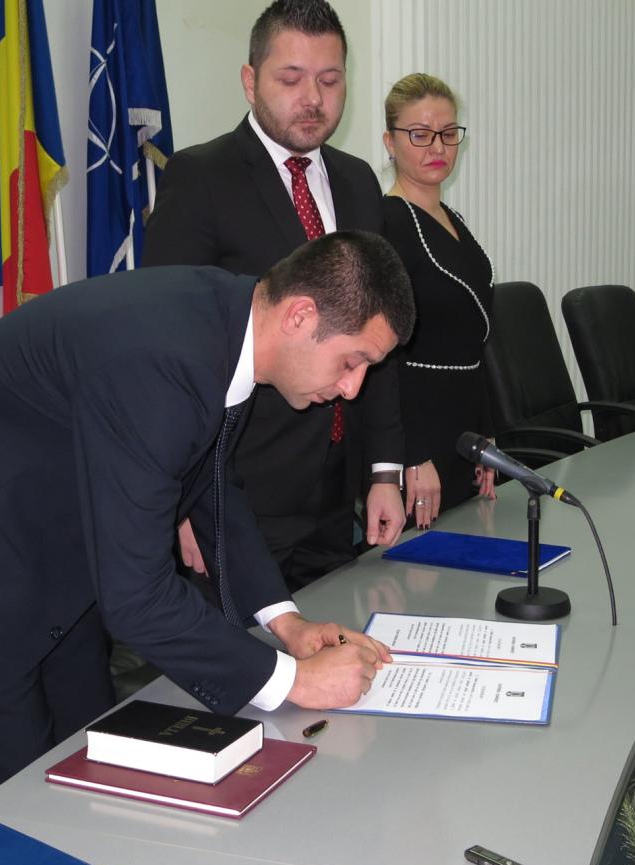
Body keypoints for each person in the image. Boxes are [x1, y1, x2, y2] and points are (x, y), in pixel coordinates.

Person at [0, 231, 415, 806]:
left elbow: (212, 484)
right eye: (352, 361)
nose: (352, 388)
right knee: (19, 817)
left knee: (91, 773)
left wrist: (286, 624)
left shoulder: (229, 323)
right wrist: (294, 681)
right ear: (300, 315)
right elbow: (136, 595)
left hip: (55, 560)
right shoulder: (163, 361)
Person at [142, 0, 405, 592]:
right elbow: (168, 353)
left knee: (333, 629)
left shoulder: (359, 182)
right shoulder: (201, 177)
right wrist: (181, 501)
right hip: (236, 492)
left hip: (338, 489)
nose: (312, 98)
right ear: (250, 80)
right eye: (291, 79)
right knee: (242, 646)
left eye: (329, 80)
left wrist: (384, 469)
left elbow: (376, 336)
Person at [381, 73, 497, 525]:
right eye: (420, 134)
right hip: (420, 437)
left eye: (448, 134)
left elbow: (474, 339)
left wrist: (486, 434)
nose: (438, 147)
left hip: (465, 427)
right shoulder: (387, 223)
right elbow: (383, 360)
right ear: (390, 142)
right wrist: (412, 455)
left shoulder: (451, 218)